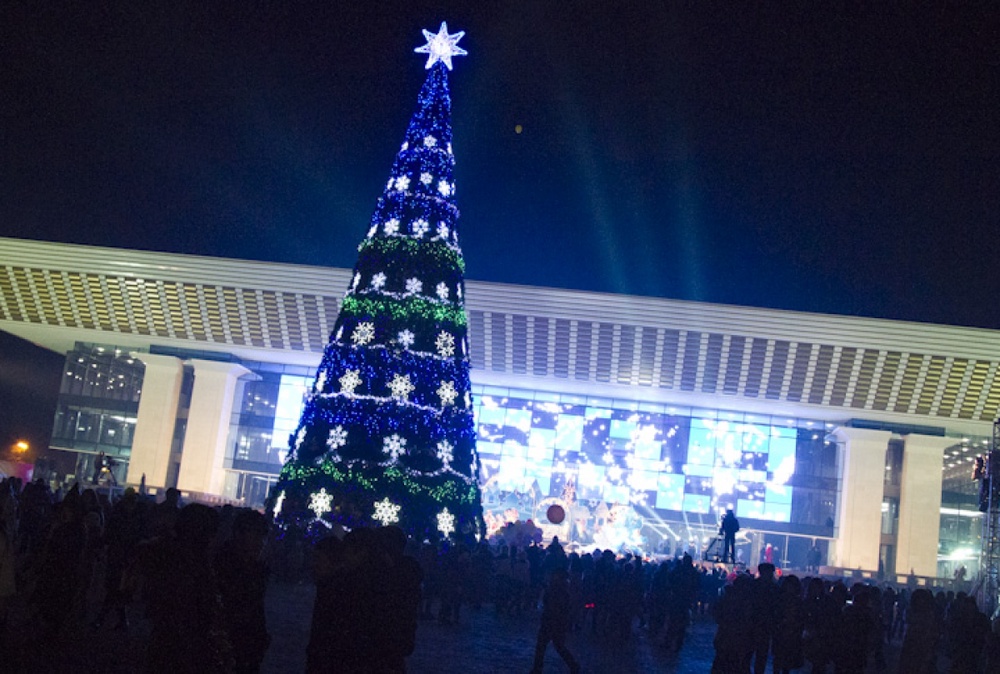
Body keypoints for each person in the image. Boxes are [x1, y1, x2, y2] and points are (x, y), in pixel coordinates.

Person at [530, 567, 581, 674]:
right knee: (556, 646)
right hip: (556, 621)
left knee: (545, 646)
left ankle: (537, 668)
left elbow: (552, 605)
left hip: (552, 621)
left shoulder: (557, 589)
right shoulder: (562, 589)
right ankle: (573, 665)